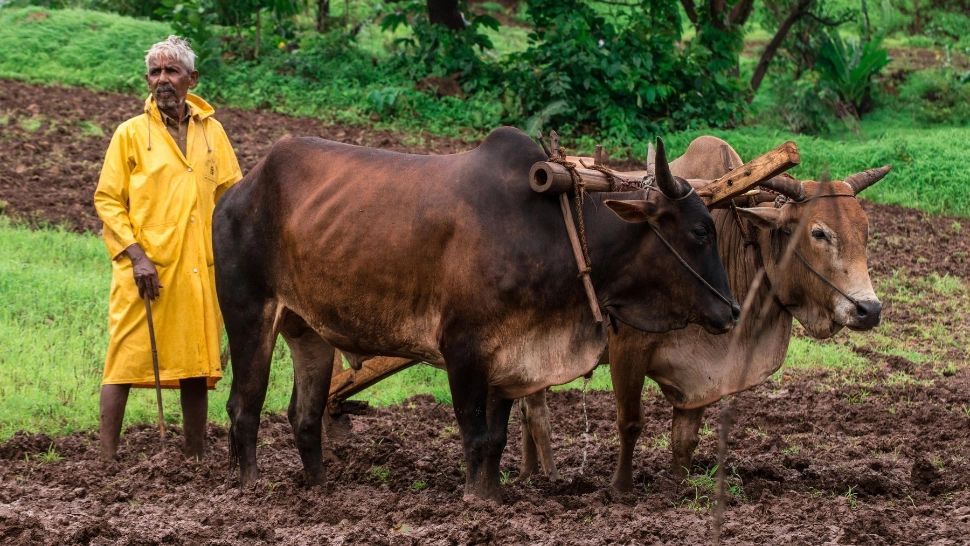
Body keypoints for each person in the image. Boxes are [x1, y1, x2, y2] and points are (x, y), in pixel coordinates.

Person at [94, 36, 242, 460]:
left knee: (195, 363)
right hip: (146, 268)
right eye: (155, 71)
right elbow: (107, 199)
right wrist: (136, 256)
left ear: (191, 79)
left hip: (199, 267)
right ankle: (105, 460)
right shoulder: (130, 134)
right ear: (147, 78)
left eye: (171, 70)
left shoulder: (213, 132)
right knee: (123, 359)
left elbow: (232, 197)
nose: (162, 79)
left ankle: (194, 457)